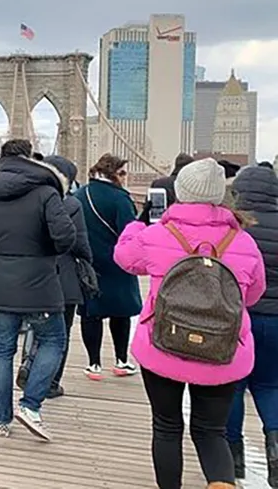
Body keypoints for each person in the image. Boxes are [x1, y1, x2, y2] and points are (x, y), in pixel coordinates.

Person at [114, 157, 266, 489]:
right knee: (212, 432)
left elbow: (123, 258)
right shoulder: (243, 241)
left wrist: (137, 224)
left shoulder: (157, 234)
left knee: (167, 428)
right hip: (223, 351)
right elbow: (252, 296)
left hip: (163, 347)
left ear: (180, 191)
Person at [0, 138, 75, 441]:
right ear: (29, 159)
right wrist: (44, 250)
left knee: (2, 349)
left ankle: (1, 418)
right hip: (41, 284)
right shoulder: (47, 192)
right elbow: (65, 238)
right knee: (54, 341)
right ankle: (31, 405)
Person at [17, 155, 93, 399]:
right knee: (60, 333)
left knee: (33, 326)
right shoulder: (71, 205)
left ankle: (28, 368)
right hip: (64, 276)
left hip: (32, 275)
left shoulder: (26, 200)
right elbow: (80, 242)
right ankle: (50, 382)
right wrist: (88, 261)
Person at [226, 165, 278, 486]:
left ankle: (233, 460)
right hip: (277, 321)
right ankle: (275, 445)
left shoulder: (234, 228)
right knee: (271, 386)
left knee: (232, 386)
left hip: (239, 318)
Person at [74, 154, 142, 380]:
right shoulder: (119, 198)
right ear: (112, 173)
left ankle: (93, 364)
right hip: (117, 263)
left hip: (88, 263)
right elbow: (129, 231)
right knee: (120, 313)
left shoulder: (79, 194)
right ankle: (121, 361)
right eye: (122, 173)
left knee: (91, 313)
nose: (125, 178)